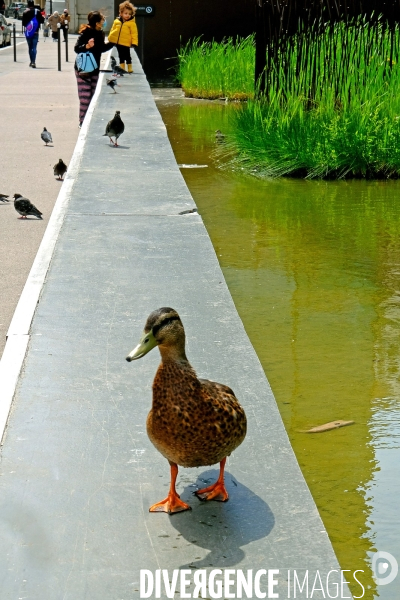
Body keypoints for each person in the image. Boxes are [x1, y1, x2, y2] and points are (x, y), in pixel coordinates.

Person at [74, 11, 114, 127]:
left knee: (92, 96)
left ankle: (88, 121)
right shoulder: (85, 33)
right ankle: (82, 122)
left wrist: (113, 43)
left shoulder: (100, 33)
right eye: (102, 19)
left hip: (95, 68)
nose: (104, 21)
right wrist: (87, 46)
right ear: (97, 23)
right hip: (83, 69)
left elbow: (101, 49)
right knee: (85, 97)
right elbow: (77, 49)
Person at [108, 1, 138, 74]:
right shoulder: (116, 21)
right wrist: (111, 38)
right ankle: (122, 67)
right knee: (120, 55)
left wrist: (134, 43)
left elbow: (134, 34)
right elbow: (113, 30)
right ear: (121, 13)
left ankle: (129, 66)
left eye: (130, 14)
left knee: (127, 55)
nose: (128, 15)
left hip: (126, 42)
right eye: (126, 13)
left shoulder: (131, 23)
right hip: (118, 42)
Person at [22, 0, 44, 68]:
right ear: (33, 4)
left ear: (28, 5)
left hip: (29, 32)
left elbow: (23, 23)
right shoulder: (37, 11)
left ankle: (31, 61)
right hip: (35, 32)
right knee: (34, 47)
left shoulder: (25, 12)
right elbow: (42, 21)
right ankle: (33, 62)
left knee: (30, 47)